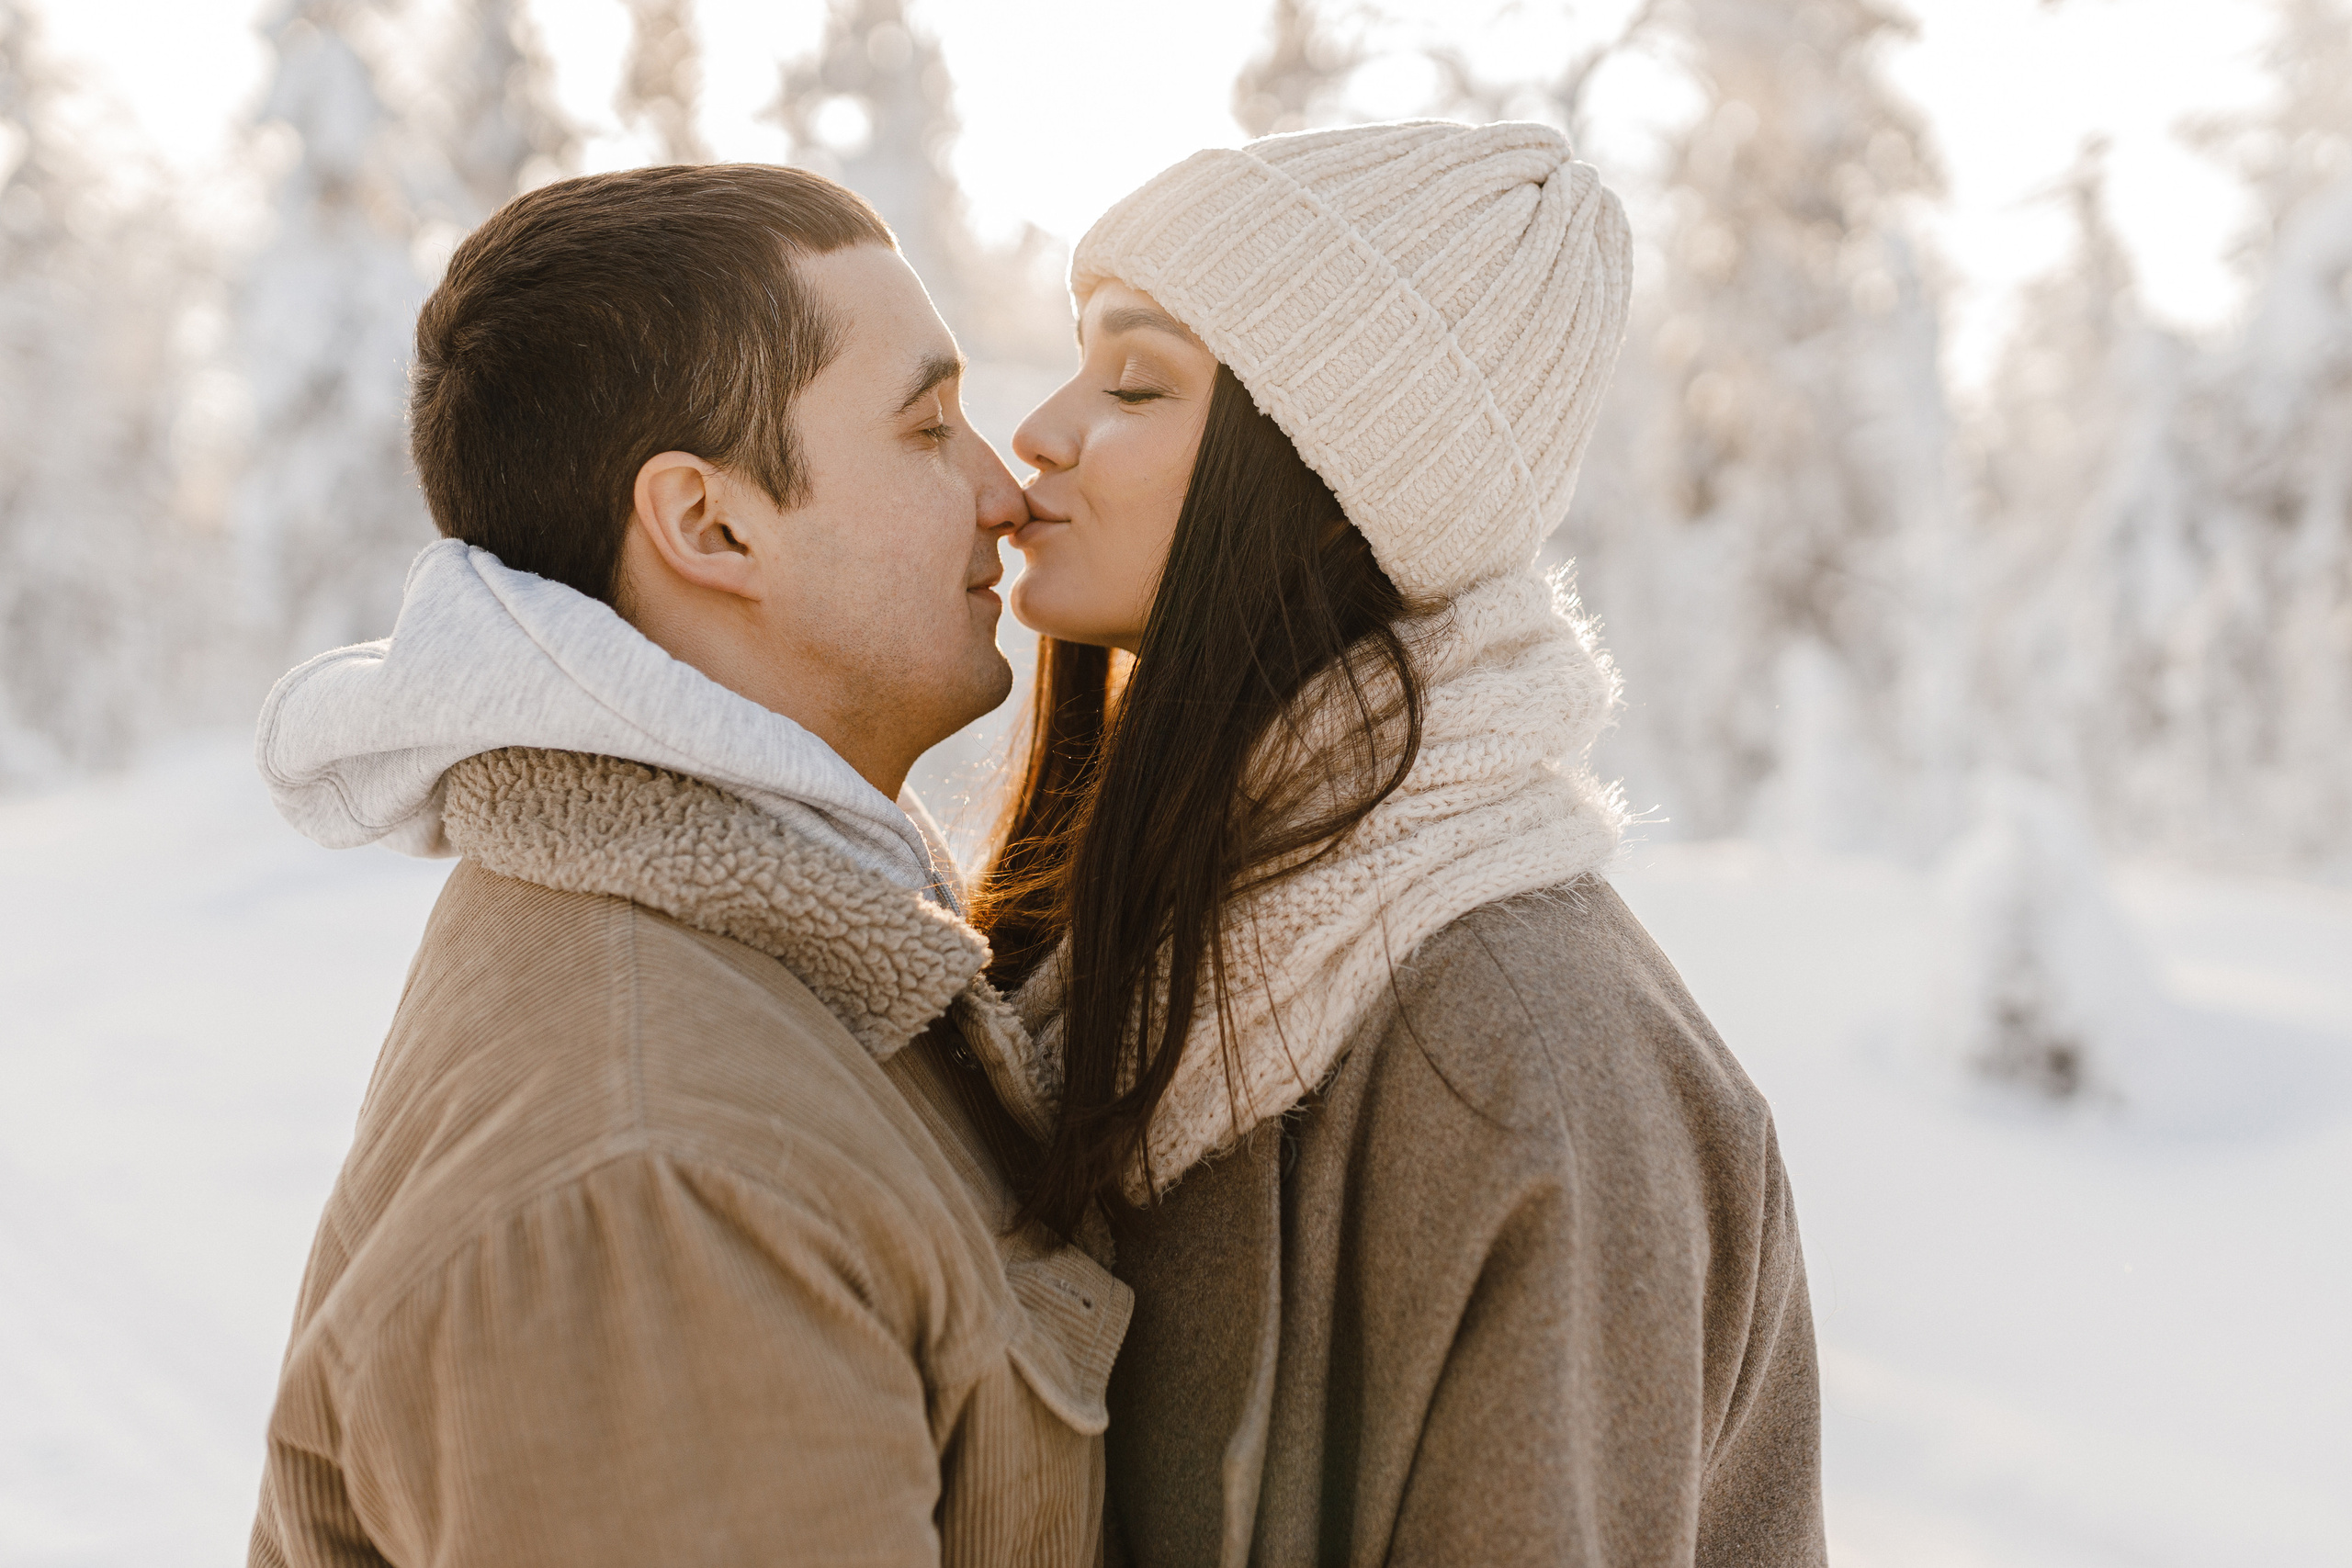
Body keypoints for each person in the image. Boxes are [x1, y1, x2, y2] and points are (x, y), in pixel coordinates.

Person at [968, 121, 1827, 1565]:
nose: (1040, 433)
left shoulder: (1526, 1059)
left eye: (1134, 379)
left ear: (1323, 486)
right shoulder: (1163, 947)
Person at [246, 164, 1129, 1566]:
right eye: (927, 428)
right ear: (710, 525)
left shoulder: (769, 974)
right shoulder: (655, 1192)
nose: (1003, 493)